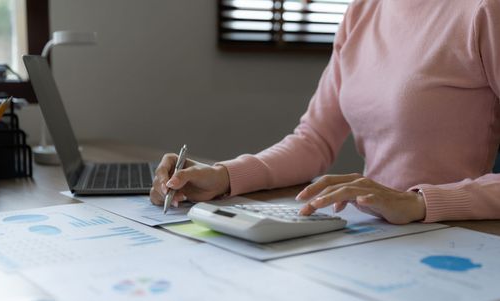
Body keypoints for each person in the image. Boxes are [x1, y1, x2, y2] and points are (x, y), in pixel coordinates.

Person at [150, 0, 500, 224]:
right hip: (377, 232)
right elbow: (314, 141)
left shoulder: (484, 10)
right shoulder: (363, 11)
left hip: (458, 231)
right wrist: (223, 176)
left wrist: (419, 202)